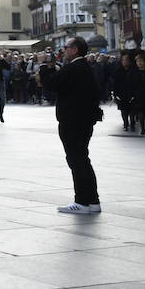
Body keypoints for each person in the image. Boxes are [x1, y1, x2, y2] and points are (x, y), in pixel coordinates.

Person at [41, 36, 103, 215]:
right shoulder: (83, 67)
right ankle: (92, 200)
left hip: (73, 121)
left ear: (75, 50)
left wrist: (45, 66)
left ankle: (82, 201)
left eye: (66, 47)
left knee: (76, 160)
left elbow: (51, 84)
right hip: (83, 120)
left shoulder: (75, 67)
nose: (64, 50)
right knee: (82, 159)